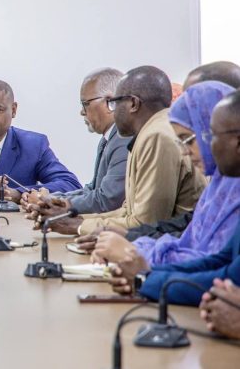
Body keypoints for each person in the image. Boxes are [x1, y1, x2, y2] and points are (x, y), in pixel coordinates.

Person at [33, 66, 206, 235]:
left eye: (115, 103)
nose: (113, 111)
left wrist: (78, 226)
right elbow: (128, 211)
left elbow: (146, 223)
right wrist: (70, 218)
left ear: (133, 103)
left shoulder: (157, 135)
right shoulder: (148, 131)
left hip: (176, 245)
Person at [105, 90, 240, 306]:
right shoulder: (221, 185)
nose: (208, 146)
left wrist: (145, 278)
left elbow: (229, 277)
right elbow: (219, 261)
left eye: (211, 136)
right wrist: (146, 274)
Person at [46, 68, 130, 213]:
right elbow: (93, 189)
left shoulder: (123, 139)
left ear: (110, 102)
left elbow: (108, 200)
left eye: (85, 103)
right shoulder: (108, 139)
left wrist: (57, 204)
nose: (82, 111)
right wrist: (51, 199)